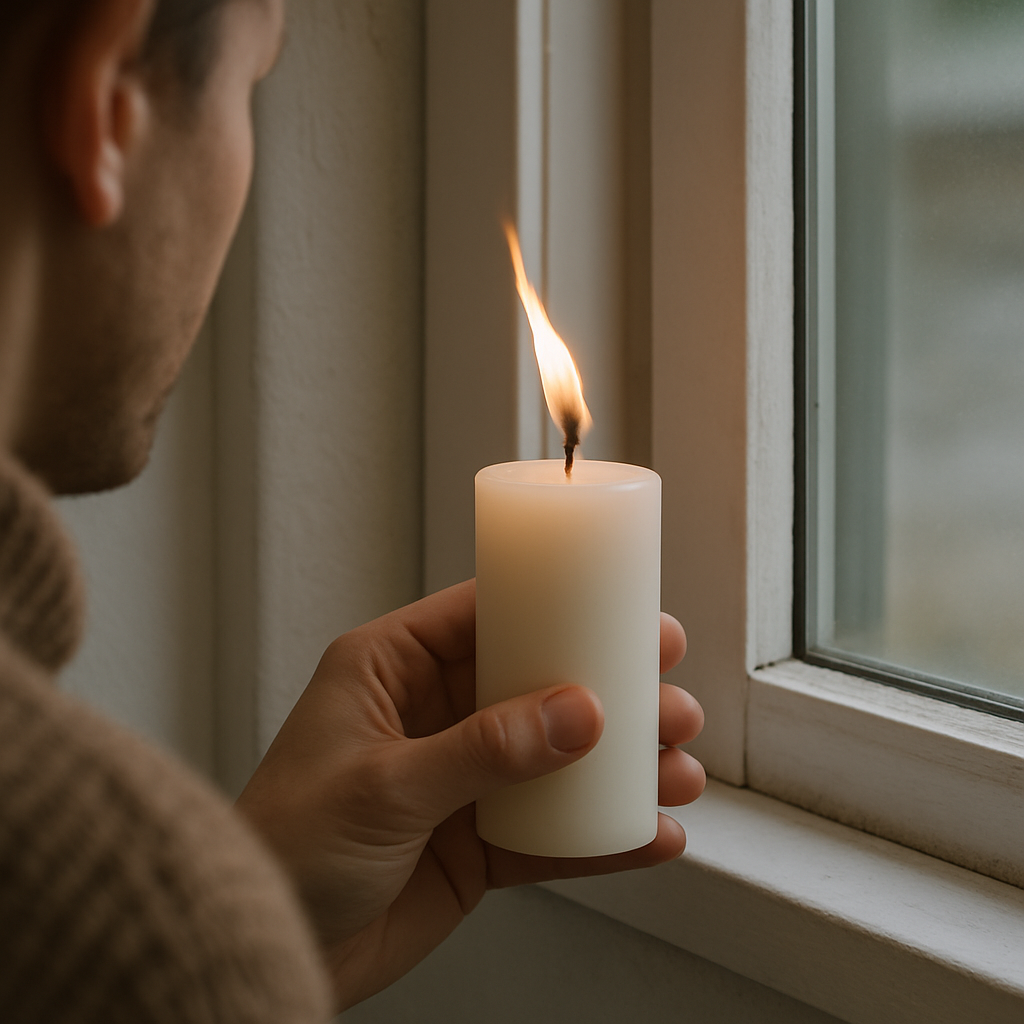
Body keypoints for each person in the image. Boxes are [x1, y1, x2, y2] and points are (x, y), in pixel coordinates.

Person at [0, 0, 707, 1018]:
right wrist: (221, 956)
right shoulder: (129, 943)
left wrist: (269, 925)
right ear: (109, 102)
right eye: (254, 83)